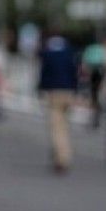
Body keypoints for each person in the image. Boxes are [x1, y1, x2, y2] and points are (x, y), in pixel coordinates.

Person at [38, 33, 79, 174]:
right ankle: (64, 155)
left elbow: (44, 73)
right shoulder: (69, 53)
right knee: (65, 126)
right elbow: (74, 72)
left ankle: (61, 158)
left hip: (54, 92)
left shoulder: (48, 53)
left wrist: (41, 89)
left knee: (56, 127)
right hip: (68, 92)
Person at [82, 40, 106, 129]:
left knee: (94, 97)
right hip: (99, 76)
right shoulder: (102, 50)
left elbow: (85, 64)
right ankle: (96, 115)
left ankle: (95, 114)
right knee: (96, 97)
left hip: (95, 77)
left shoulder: (90, 50)